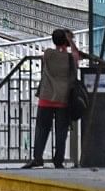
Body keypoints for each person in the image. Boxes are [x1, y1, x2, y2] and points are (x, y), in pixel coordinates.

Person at [25, 28, 83, 169]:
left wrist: (65, 41)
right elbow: (77, 57)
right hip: (62, 100)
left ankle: (37, 158)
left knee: (41, 129)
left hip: (46, 98)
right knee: (61, 131)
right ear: (66, 42)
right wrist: (71, 42)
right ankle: (58, 160)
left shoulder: (48, 54)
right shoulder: (69, 58)